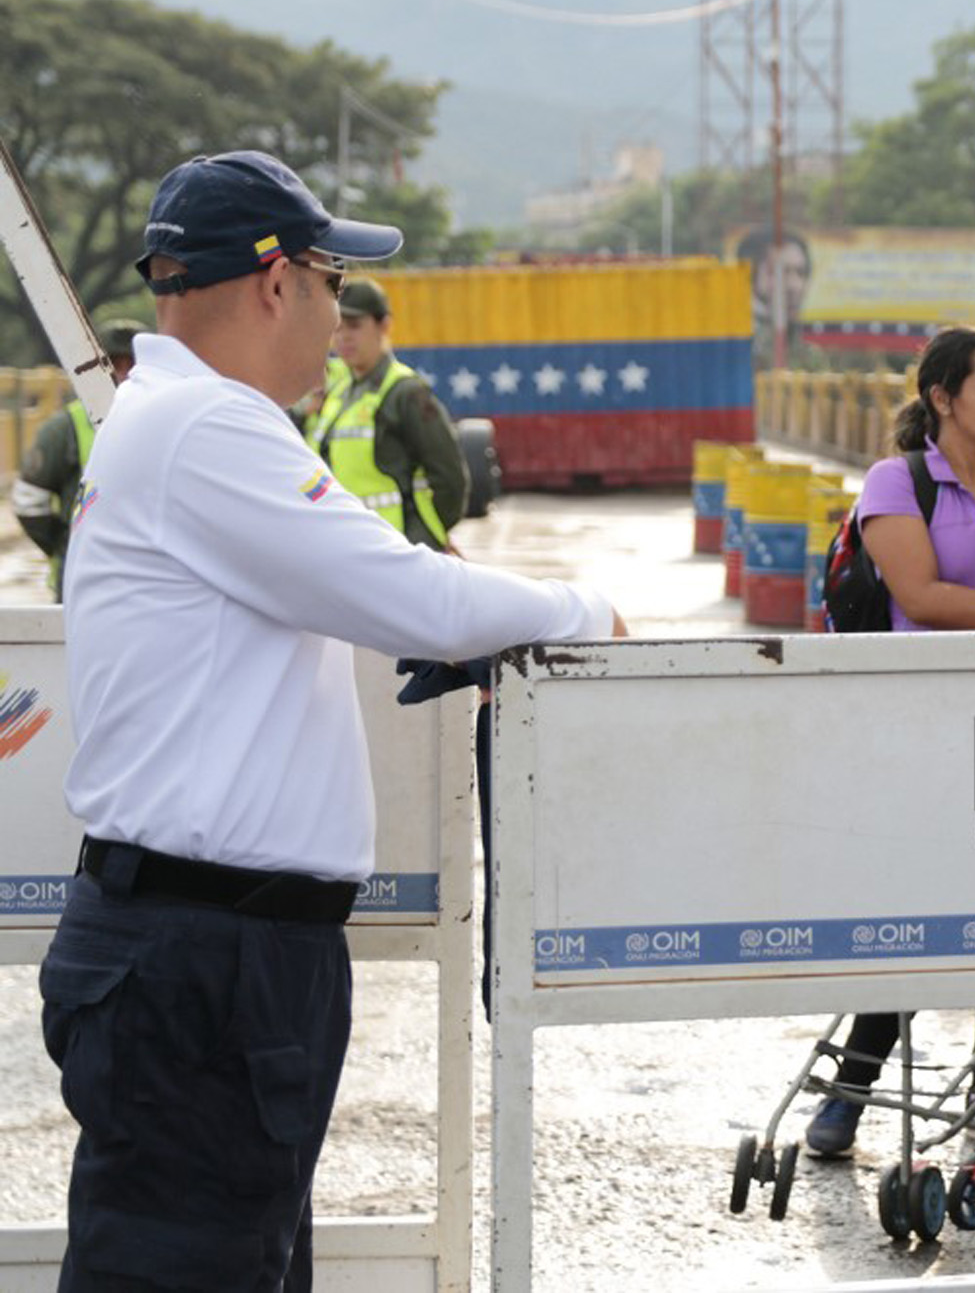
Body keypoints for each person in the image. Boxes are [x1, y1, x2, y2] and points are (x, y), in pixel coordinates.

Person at [37, 149, 626, 1289]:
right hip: (205, 962)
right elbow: (415, 592)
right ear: (274, 284)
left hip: (206, 951)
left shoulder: (173, 420)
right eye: (325, 280)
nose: (334, 312)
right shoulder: (208, 429)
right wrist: (588, 609)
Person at [803, 326, 975, 1157]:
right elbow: (919, 596)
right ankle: (854, 1086)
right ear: (942, 398)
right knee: (919, 914)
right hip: (912, 730)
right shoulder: (898, 481)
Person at [308, 276, 469, 550]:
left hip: (397, 549)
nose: (344, 337)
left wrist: (424, 539)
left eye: (355, 326)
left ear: (384, 325)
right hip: (350, 548)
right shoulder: (338, 392)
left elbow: (450, 480)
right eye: (337, 328)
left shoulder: (405, 393)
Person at [10, 319, 143, 602]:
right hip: (81, 585)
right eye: (112, 364)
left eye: (131, 365)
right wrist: (66, 543)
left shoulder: (167, 420)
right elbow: (27, 500)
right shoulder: (64, 428)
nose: (122, 374)